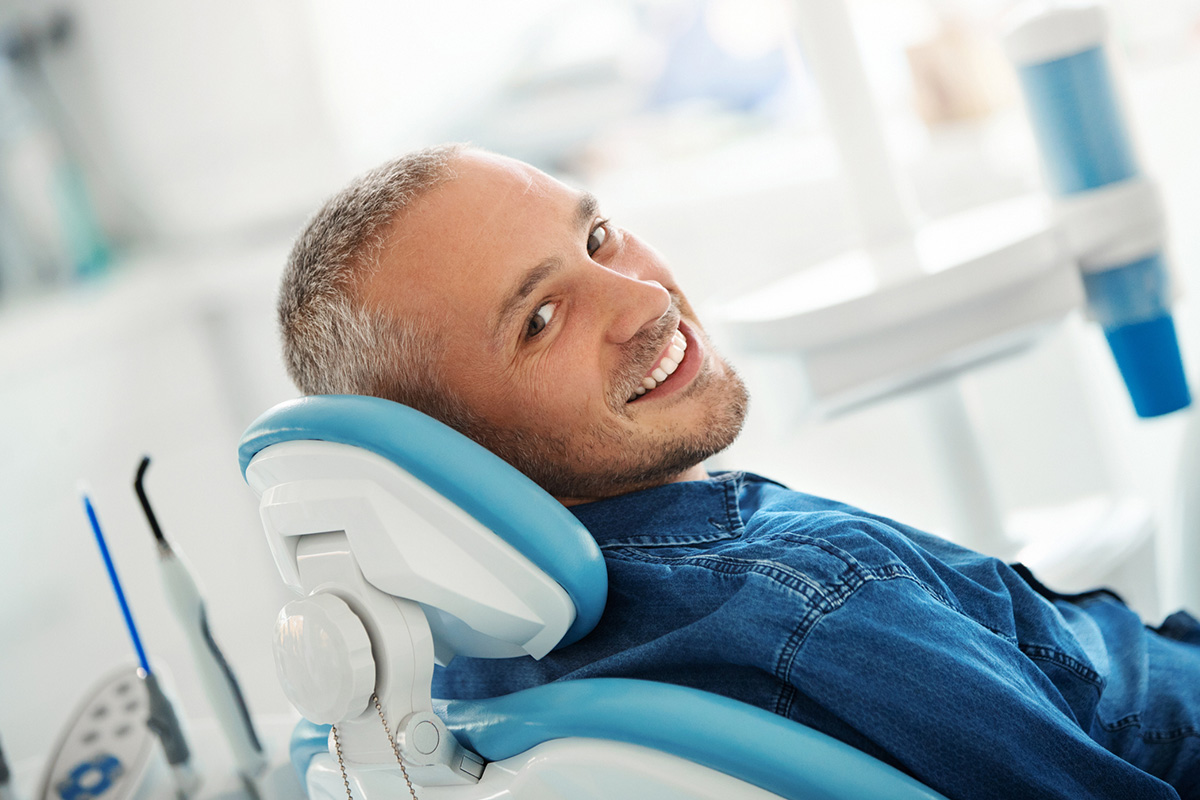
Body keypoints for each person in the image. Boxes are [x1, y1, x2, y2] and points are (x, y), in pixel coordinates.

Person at [277, 144, 1200, 800]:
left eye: (598, 237)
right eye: (540, 319)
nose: (642, 297)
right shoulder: (816, 602)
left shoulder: (452, 689)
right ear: (448, 449)